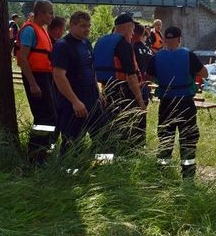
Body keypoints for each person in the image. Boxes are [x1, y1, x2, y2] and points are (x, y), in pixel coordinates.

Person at [146, 26, 208, 179]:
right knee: (188, 139)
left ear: (165, 40)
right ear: (180, 39)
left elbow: (148, 76)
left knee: (165, 140)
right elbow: (204, 73)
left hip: (166, 103)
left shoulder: (156, 57)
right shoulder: (188, 55)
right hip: (185, 103)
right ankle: (187, 177)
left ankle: (162, 175)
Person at [51, 11, 105, 155]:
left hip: (92, 98)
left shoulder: (86, 43)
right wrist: (75, 101)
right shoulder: (63, 46)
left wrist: (98, 92)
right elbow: (59, 76)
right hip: (73, 101)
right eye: (82, 26)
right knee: (72, 141)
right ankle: (68, 173)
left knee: (102, 136)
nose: (86, 29)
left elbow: (91, 68)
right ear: (72, 25)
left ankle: (101, 169)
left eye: (88, 26)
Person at [94, 13, 146, 152]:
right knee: (133, 126)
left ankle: (107, 158)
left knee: (110, 126)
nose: (133, 31)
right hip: (123, 90)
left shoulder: (101, 41)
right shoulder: (124, 44)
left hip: (106, 89)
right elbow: (131, 75)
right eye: (133, 27)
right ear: (129, 26)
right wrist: (140, 102)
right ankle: (131, 157)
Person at [15, 0, 56, 164]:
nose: (52, 16)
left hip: (45, 76)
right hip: (36, 77)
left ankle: (43, 153)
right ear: (39, 12)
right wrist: (32, 83)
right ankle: (35, 156)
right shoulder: (30, 30)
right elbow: (22, 58)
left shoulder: (42, 30)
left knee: (50, 115)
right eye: (49, 13)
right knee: (44, 116)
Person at [131, 23, 154, 135]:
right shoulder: (149, 50)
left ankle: (126, 146)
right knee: (141, 116)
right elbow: (152, 72)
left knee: (129, 117)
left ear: (134, 33)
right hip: (145, 87)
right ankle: (140, 144)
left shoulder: (130, 48)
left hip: (131, 86)